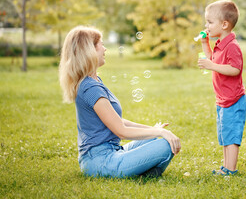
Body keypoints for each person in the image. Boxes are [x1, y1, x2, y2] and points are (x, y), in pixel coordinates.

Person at [59, 26, 181, 178]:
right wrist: (161, 131)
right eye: (101, 45)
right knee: (164, 144)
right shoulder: (90, 88)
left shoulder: (93, 82)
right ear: (89, 51)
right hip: (100, 161)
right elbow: (121, 131)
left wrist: (152, 129)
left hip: (112, 152)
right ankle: (143, 174)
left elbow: (117, 121)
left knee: (154, 138)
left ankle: (141, 173)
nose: (105, 49)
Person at [197, 0, 246, 176]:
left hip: (233, 100)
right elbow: (213, 58)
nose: (206, 26)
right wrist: (205, 43)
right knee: (225, 135)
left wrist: (211, 66)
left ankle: (231, 170)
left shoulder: (232, 46)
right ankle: (226, 167)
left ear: (224, 24)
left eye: (210, 22)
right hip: (223, 100)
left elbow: (235, 69)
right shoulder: (219, 43)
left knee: (232, 136)